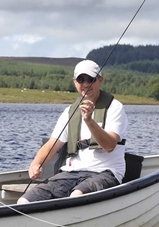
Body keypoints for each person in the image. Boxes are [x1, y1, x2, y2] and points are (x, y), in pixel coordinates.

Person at [17, 59, 128, 203]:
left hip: (105, 172)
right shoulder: (69, 112)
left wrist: (89, 120)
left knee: (77, 195)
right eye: (81, 79)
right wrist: (36, 164)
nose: (86, 84)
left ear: (100, 80)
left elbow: (109, 145)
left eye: (91, 79)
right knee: (25, 200)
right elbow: (52, 145)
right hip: (71, 173)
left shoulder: (115, 108)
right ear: (75, 82)